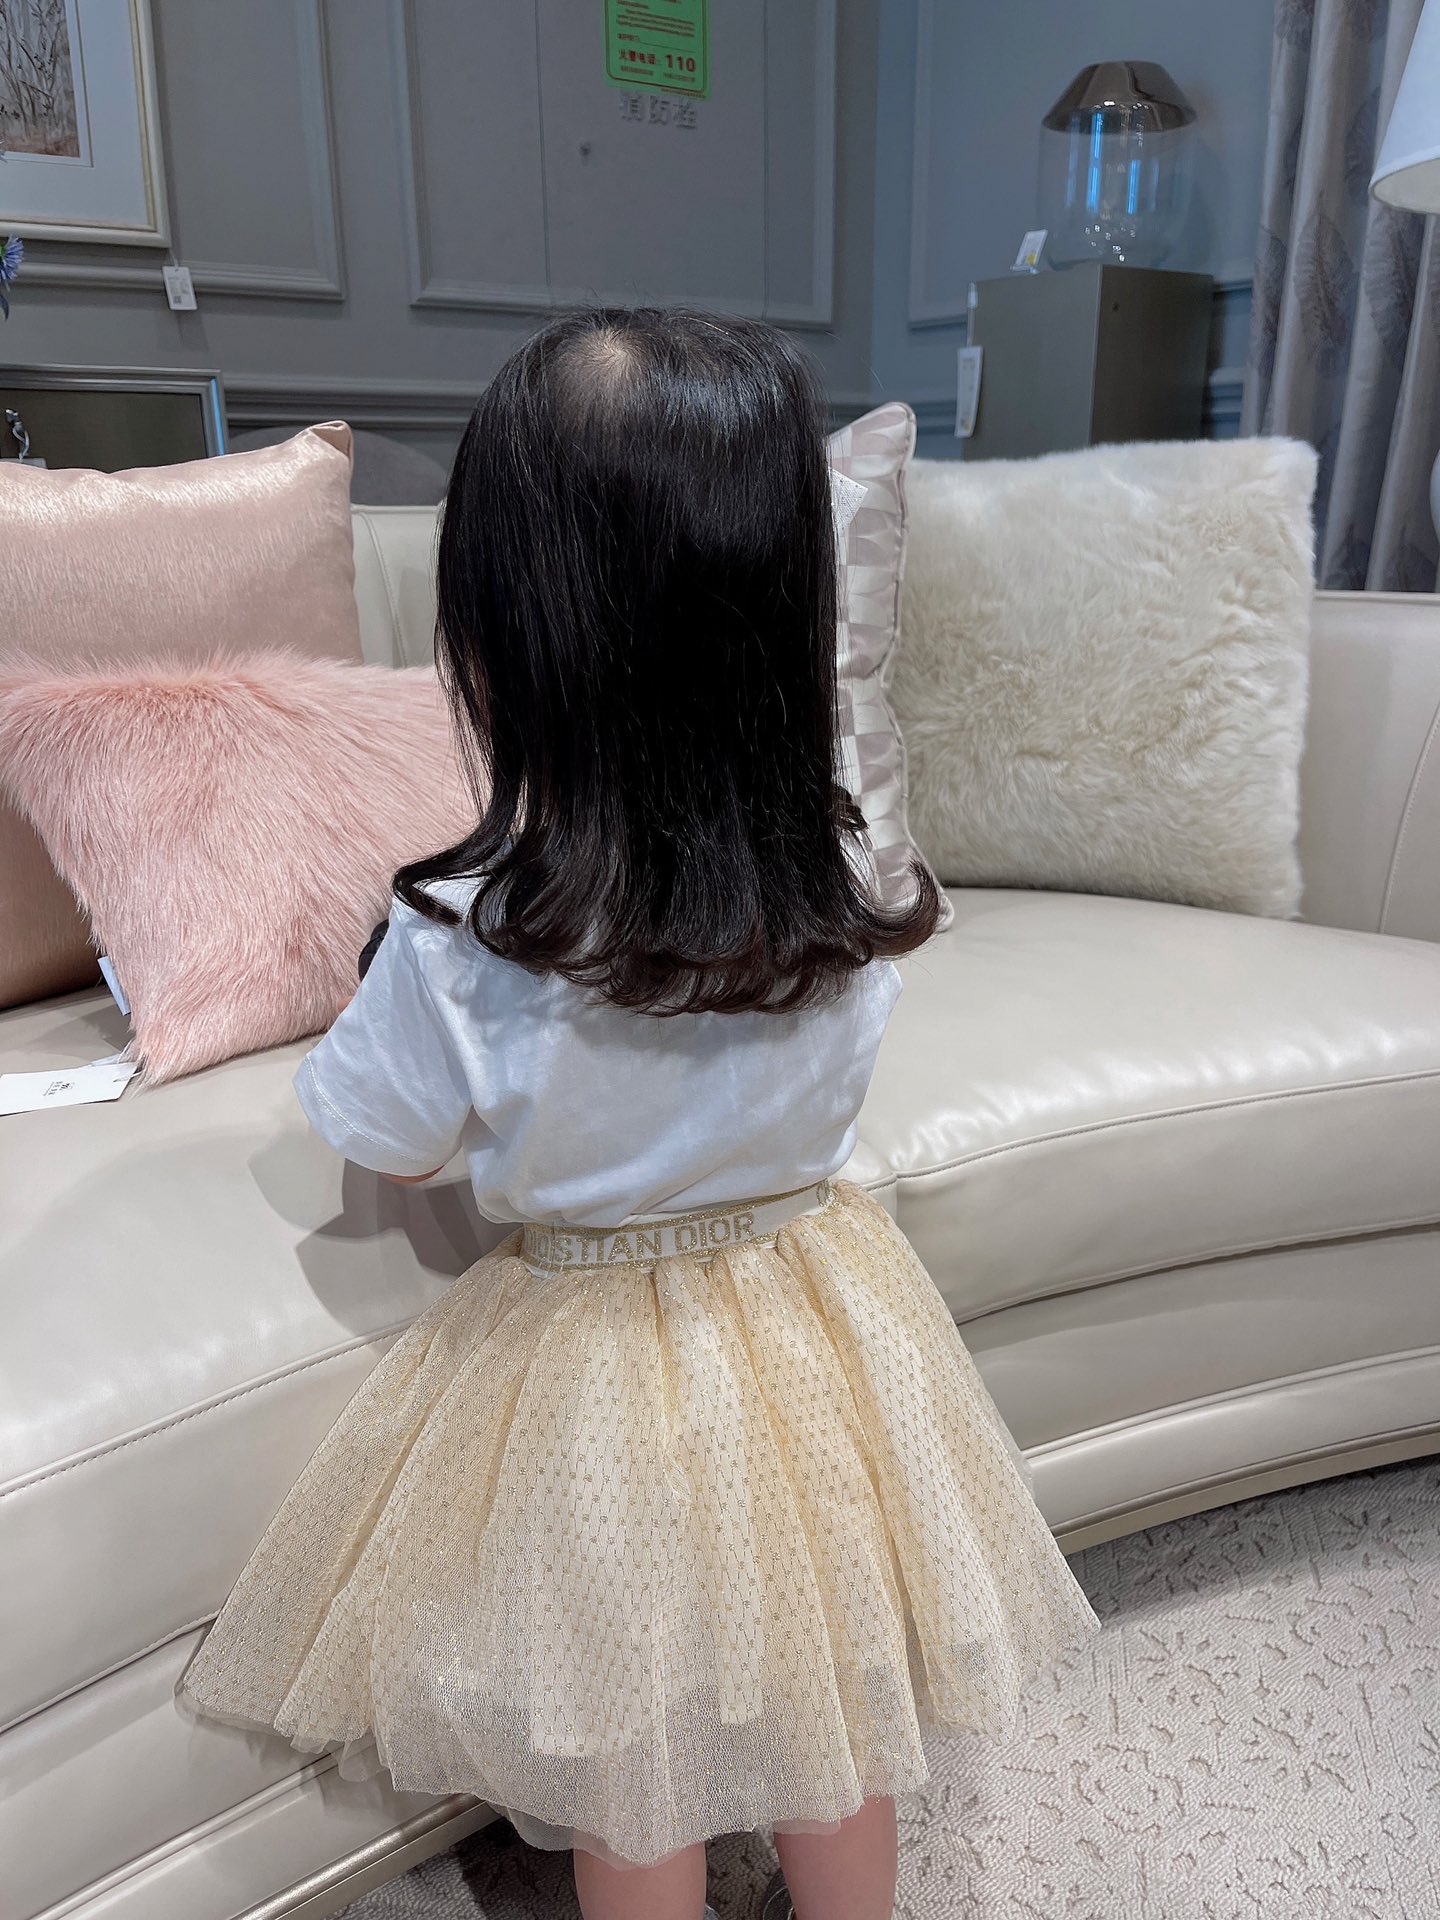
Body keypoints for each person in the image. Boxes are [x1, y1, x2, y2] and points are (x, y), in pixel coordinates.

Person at [180, 308, 1102, 1920]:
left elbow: (379, 1137)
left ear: (508, 636)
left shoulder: (468, 936)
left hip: (590, 1368)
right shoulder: (854, 879)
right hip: (823, 1322)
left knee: (633, 1749)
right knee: (837, 1703)